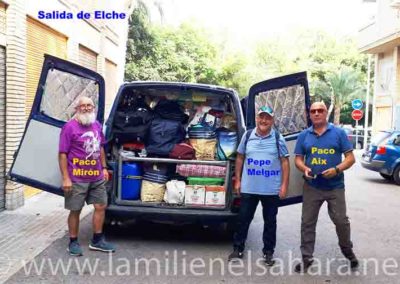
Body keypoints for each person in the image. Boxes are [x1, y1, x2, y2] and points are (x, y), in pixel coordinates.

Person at [294, 102, 358, 272]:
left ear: (325, 114)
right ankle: (307, 258)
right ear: (309, 114)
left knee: (341, 222)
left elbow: (350, 158)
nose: (316, 113)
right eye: (313, 111)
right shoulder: (304, 135)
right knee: (307, 223)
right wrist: (304, 168)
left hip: (335, 187)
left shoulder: (338, 133)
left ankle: (348, 251)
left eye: (320, 110)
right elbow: (298, 159)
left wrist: (337, 169)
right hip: (312, 186)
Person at [228, 106, 290, 265]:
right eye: (261, 117)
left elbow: (285, 162)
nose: (264, 121)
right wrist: (238, 180)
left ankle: (268, 253)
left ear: (272, 120)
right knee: (243, 219)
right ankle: (238, 249)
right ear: (256, 118)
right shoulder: (248, 136)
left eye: (267, 118)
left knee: (270, 222)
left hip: (270, 189)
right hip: (249, 187)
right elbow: (240, 157)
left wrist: (284, 185)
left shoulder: (278, 138)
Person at [59, 96, 115, 256]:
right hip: (76, 177)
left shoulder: (96, 125)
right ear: (77, 109)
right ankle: (73, 242)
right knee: (75, 209)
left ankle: (97, 240)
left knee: (101, 206)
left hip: (96, 176)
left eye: (89, 105)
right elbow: (62, 154)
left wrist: (104, 167)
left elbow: (101, 148)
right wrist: (65, 178)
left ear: (93, 107)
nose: (86, 108)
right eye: (82, 106)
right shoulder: (69, 127)